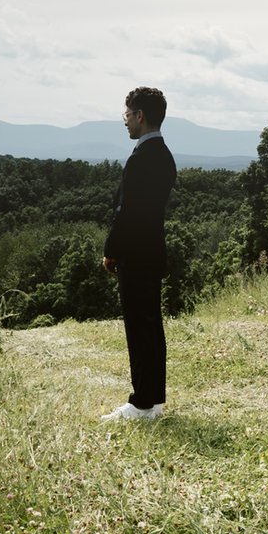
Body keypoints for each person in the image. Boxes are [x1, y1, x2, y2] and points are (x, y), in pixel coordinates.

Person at [102, 84, 178, 423]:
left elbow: (127, 212)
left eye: (128, 114)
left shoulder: (141, 159)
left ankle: (141, 403)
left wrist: (111, 251)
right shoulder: (164, 156)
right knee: (151, 326)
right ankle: (153, 400)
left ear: (141, 115)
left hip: (135, 253)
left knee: (139, 327)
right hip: (153, 251)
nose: (125, 121)